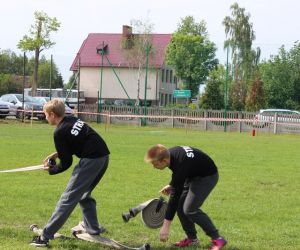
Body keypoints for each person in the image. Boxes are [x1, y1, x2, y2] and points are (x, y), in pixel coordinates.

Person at [30, 99, 110, 247]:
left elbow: (66, 163)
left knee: (68, 198)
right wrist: (57, 154)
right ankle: (92, 228)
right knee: (84, 194)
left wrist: (51, 170)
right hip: (103, 157)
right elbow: (76, 141)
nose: (45, 117)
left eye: (45, 115)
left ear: (52, 115)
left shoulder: (59, 132)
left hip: (91, 160)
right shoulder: (72, 119)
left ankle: (45, 237)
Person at [144, 144, 227, 250]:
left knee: (190, 209)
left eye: (155, 164)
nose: (154, 167)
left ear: (164, 161)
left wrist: (165, 226)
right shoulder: (170, 155)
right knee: (180, 206)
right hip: (192, 175)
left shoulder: (179, 163)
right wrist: (173, 184)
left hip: (207, 177)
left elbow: (174, 197)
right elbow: (181, 172)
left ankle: (218, 238)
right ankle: (192, 239)